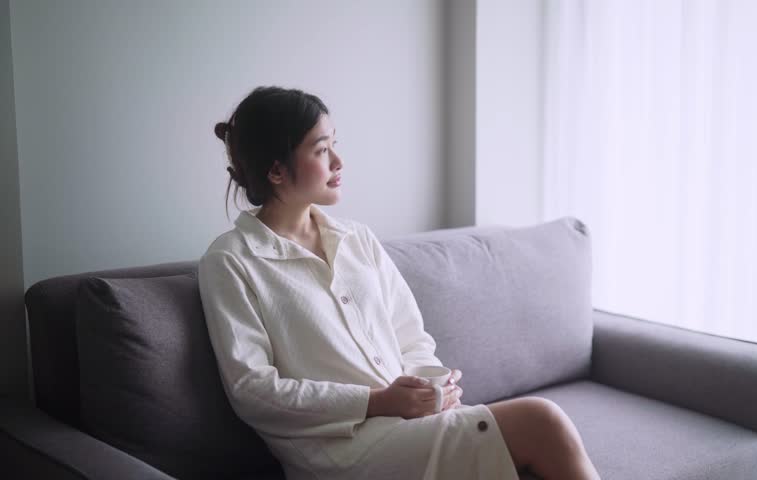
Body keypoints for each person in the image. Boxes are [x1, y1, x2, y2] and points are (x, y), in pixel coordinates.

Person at [198, 86, 601, 480]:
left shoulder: (358, 240)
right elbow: (253, 391)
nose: (338, 161)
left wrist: (433, 387)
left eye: (335, 144)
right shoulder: (232, 261)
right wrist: (376, 402)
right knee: (541, 421)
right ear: (276, 170)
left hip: (406, 428)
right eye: (321, 150)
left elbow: (411, 337)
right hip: (339, 451)